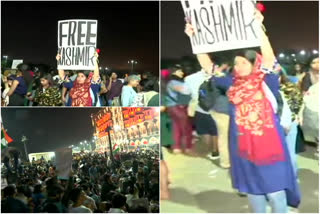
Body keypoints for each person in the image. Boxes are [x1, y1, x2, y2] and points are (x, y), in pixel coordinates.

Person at [185, 10, 300, 213]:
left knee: (275, 193)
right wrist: (195, 38)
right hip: (242, 146)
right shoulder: (230, 84)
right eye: (236, 62)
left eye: (244, 62)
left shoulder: (266, 80)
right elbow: (208, 67)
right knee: (252, 191)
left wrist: (259, 28)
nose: (239, 65)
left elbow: (269, 57)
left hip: (269, 146)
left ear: (255, 63)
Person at [184, 66, 219, 159]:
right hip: (216, 110)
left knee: (204, 130)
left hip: (199, 108)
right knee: (215, 131)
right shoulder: (220, 77)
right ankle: (215, 151)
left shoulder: (189, 78)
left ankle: (209, 149)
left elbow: (186, 93)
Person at [165, 65, 193, 154]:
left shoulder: (171, 82)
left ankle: (176, 147)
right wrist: (190, 81)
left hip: (173, 107)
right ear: (174, 72)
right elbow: (185, 90)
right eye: (180, 71)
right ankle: (187, 147)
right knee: (186, 127)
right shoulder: (173, 82)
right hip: (178, 107)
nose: (182, 73)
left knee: (176, 127)